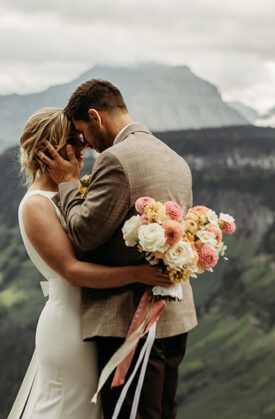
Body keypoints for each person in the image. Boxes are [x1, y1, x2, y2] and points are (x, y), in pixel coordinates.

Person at [40, 80, 197, 419]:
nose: (86, 144)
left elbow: (83, 234)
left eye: (83, 132)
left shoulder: (116, 160)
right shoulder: (173, 157)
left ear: (95, 116)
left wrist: (68, 182)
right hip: (174, 316)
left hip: (131, 323)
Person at [9, 107, 171, 419]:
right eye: (73, 141)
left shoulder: (69, 192)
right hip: (68, 325)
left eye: (82, 139)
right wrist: (137, 272)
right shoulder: (36, 206)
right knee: (65, 408)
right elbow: (72, 271)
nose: (83, 146)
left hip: (89, 321)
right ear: (48, 149)